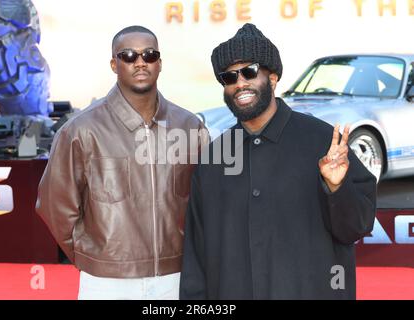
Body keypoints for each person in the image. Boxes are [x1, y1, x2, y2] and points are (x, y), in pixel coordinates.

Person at [179, 23, 377, 300]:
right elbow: (196, 258)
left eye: (249, 72)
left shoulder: (323, 142)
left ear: (272, 78)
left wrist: (336, 187)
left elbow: (357, 227)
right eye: (229, 77)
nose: (240, 83)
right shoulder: (214, 158)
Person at [36, 25, 207, 300]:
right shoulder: (82, 129)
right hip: (106, 282)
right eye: (128, 55)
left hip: (175, 277)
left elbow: (205, 203)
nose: (140, 62)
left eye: (149, 55)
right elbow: (54, 204)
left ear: (160, 63)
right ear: (114, 64)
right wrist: (93, 256)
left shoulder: (189, 127)